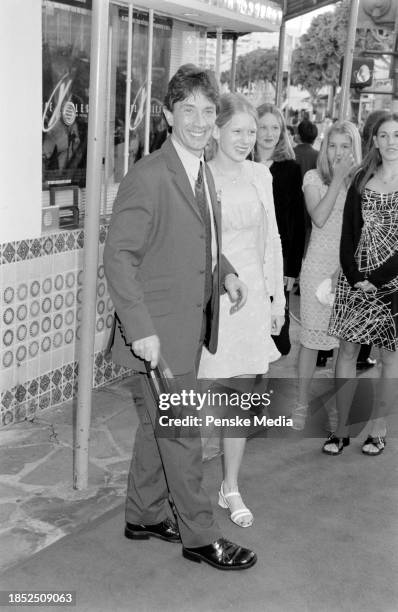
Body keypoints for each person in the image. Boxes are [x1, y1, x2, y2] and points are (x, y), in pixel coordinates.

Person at [104, 64, 257, 570]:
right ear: (168, 113)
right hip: (158, 335)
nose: (198, 120)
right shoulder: (148, 176)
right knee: (183, 434)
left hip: (189, 328)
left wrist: (228, 273)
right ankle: (200, 535)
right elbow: (118, 257)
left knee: (158, 427)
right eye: (187, 109)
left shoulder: (201, 171)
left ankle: (143, 514)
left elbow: (204, 242)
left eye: (207, 110)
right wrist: (142, 330)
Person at [198, 93, 285, 527]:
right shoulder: (200, 176)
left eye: (252, 132)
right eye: (238, 131)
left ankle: (230, 485)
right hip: (214, 299)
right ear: (217, 130)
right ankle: (187, 484)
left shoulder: (260, 175)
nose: (247, 139)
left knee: (239, 399)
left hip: (253, 302)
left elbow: (272, 240)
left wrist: (278, 301)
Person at [325, 112, 398, 455]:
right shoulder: (359, 178)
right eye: (383, 135)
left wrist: (378, 279)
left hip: (393, 283)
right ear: (374, 140)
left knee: (388, 358)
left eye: (396, 135)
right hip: (355, 279)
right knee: (348, 351)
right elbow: (348, 233)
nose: (390, 142)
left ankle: (378, 428)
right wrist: (356, 277)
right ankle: (341, 428)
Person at [293, 121, 362, 430]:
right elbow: (319, 217)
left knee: (346, 347)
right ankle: (301, 403)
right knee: (309, 341)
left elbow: (365, 232)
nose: (338, 152)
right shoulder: (313, 178)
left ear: (354, 149)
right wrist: (337, 180)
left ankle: (341, 410)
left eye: (345, 146)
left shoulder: (363, 183)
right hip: (315, 268)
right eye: (332, 145)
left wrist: (344, 270)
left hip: (348, 270)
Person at [255, 104, 306, 356]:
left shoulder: (291, 169)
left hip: (278, 257)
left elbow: (298, 221)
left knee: (278, 340)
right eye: (263, 127)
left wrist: (292, 269)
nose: (268, 133)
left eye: (275, 127)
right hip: (246, 255)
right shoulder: (240, 163)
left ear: (282, 131)